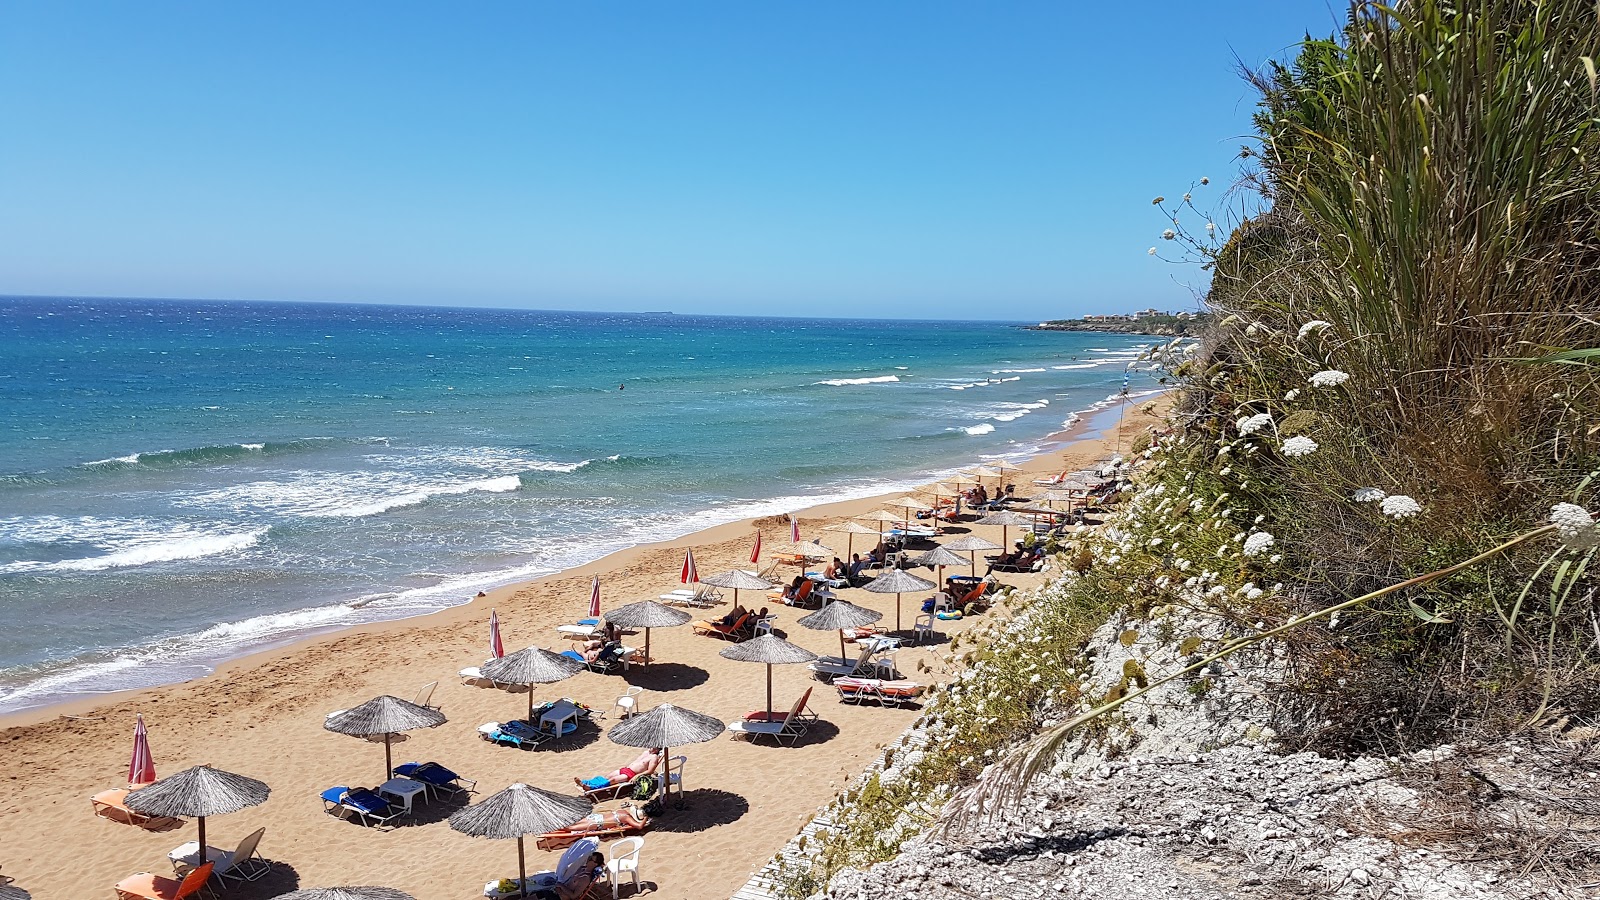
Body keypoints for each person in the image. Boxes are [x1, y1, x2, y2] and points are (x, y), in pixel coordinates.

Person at [575, 747, 664, 790]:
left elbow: (650, 771)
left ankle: (591, 788)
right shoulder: (646, 752)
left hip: (632, 774)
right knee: (606, 776)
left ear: (657, 750)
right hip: (626, 769)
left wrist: (636, 777)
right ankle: (588, 782)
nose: (651, 747)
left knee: (612, 780)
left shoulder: (654, 758)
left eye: (654, 746)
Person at [530, 851, 606, 900]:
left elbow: (574, 896)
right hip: (556, 891)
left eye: (590, 859)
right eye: (589, 857)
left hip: (559, 897)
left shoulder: (585, 878)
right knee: (531, 896)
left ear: (595, 864)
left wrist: (561, 886)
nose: (588, 859)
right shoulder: (582, 868)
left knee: (535, 897)